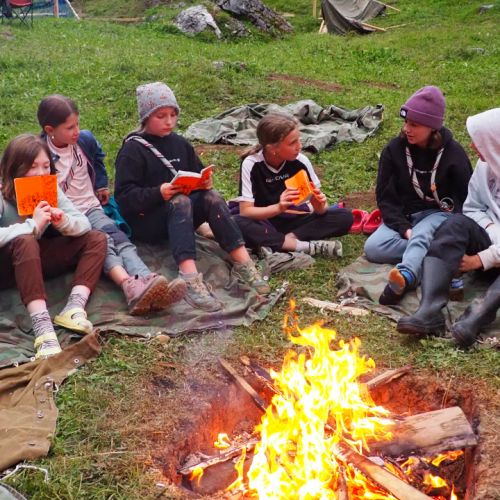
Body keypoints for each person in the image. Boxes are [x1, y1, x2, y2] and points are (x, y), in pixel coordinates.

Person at [114, 81, 270, 313]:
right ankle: (189, 278)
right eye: (161, 116)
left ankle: (244, 263)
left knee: (212, 197)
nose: (169, 122)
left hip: (180, 217)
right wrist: (158, 192)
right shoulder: (132, 150)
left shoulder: (180, 143)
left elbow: (195, 174)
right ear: (146, 117)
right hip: (148, 222)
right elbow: (124, 198)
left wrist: (203, 183)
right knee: (180, 201)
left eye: (173, 115)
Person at [37, 94, 186, 316]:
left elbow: (97, 155)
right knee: (103, 243)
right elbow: (23, 177)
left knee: (119, 238)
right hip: (67, 216)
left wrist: (100, 184)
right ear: (50, 130)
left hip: (91, 207)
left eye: (77, 124)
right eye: (70, 128)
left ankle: (148, 280)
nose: (76, 131)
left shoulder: (84, 140)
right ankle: (130, 286)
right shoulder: (39, 154)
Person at [397, 108, 500, 347]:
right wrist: (492, 232)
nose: (473, 146)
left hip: (490, 255)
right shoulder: (485, 166)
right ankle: (429, 311)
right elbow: (472, 208)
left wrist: (481, 259)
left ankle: (478, 316)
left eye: (479, 141)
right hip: (492, 241)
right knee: (454, 223)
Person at [0, 134, 107, 359]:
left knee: (96, 238)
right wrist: (32, 225)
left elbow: (83, 223)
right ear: (14, 167)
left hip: (33, 263)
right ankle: (43, 330)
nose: (41, 172)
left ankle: (73, 308)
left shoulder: (50, 189)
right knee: (26, 240)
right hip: (5, 267)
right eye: (32, 167)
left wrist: (63, 221)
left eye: (46, 166)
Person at [364, 86, 472, 305]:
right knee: (373, 247)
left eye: (414, 124)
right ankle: (441, 257)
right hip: (406, 216)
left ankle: (406, 276)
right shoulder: (394, 150)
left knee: (422, 234)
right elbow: (385, 198)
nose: (407, 129)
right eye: (406, 123)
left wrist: (448, 230)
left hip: (439, 216)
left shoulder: (454, 155)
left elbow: (465, 200)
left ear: (432, 127)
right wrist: (404, 228)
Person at [234, 113, 353, 258]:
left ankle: (282, 242)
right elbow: (246, 212)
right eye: (292, 143)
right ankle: (304, 246)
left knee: (345, 216)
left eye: (299, 140)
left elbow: (321, 208)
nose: (299, 146)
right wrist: (279, 207)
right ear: (272, 148)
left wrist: (320, 206)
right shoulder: (251, 164)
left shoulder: (301, 161)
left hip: (294, 220)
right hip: (264, 221)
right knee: (237, 222)